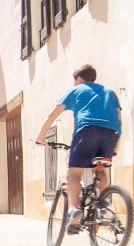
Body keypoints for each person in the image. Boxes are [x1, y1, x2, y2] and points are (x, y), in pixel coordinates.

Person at [36, 64, 121, 233]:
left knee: (74, 173)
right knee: (100, 169)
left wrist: (40, 136)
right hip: (110, 134)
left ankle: (74, 210)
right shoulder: (109, 92)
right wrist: (116, 146)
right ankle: (103, 205)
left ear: (78, 79)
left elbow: (53, 114)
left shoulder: (75, 90)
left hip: (87, 132)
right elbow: (119, 117)